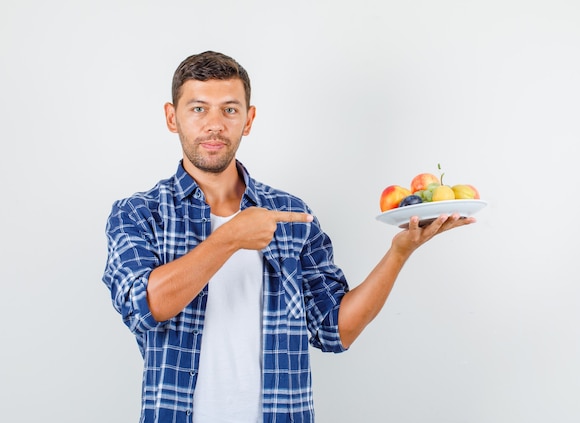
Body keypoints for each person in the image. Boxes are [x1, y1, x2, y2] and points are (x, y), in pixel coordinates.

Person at [102, 50, 475, 423]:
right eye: (198, 109)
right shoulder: (138, 213)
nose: (214, 124)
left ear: (248, 120)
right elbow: (144, 305)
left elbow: (336, 330)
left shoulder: (291, 214)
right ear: (172, 117)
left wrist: (399, 253)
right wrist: (230, 236)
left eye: (229, 110)